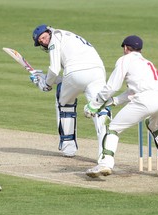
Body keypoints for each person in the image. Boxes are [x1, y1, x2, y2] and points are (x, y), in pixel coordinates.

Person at [83, 35, 158, 178]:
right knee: (156, 127)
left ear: (125, 48)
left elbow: (112, 86)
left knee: (113, 129)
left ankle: (105, 164)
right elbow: (133, 90)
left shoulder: (125, 60)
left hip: (146, 100)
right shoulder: (147, 62)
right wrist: (114, 101)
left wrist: (94, 104)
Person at [30, 24, 111, 158]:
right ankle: (106, 155)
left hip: (76, 72)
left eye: (43, 37)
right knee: (100, 108)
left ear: (49, 31)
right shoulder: (69, 37)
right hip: (98, 71)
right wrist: (44, 78)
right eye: (40, 41)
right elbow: (70, 76)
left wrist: (45, 84)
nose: (43, 41)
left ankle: (68, 147)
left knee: (64, 102)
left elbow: (56, 69)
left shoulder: (55, 38)